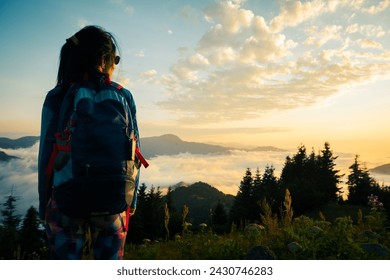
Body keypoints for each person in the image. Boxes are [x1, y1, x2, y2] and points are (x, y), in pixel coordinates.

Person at [38, 25, 141, 260]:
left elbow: (47, 152)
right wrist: (130, 201)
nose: (115, 64)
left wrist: (45, 203)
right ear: (104, 59)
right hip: (114, 200)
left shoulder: (58, 95)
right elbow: (134, 150)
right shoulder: (124, 95)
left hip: (66, 199)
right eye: (115, 58)